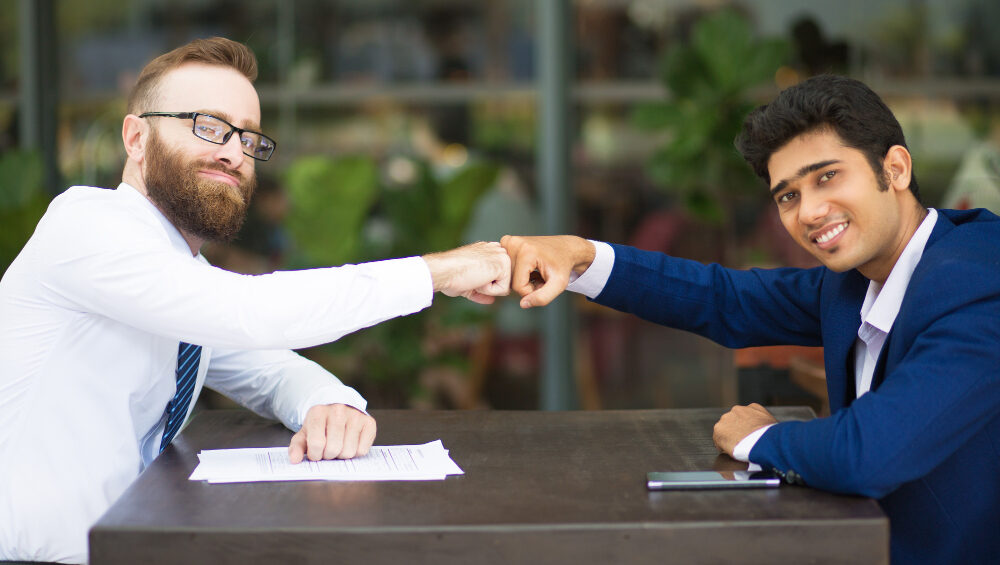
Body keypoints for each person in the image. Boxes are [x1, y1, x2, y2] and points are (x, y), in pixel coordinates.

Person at [0, 37, 509, 563]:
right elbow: (251, 313)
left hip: (128, 545)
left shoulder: (177, 274)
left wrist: (325, 402)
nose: (232, 152)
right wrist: (438, 271)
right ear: (136, 138)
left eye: (248, 138)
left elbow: (264, 368)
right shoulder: (87, 226)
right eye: (208, 126)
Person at [501, 75, 999, 564]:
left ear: (895, 169)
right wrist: (581, 257)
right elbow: (726, 299)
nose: (810, 211)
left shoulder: (977, 281)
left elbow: (870, 454)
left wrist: (758, 438)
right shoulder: (856, 280)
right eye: (788, 196)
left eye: (828, 176)